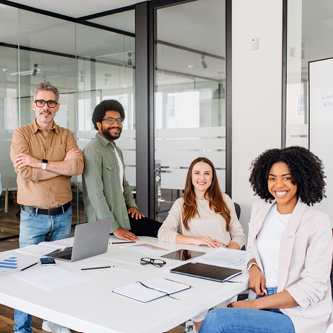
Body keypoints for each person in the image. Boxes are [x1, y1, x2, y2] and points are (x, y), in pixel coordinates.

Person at [199, 146, 333, 333]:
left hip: (297, 312)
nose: (278, 185)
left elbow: (313, 286)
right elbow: (252, 249)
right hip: (261, 297)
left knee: (218, 319)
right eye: (272, 178)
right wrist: (253, 267)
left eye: (286, 177)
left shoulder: (318, 222)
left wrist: (255, 305)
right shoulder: (261, 208)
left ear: (301, 178)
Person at [10, 82, 84, 333]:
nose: (46, 107)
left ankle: (54, 322)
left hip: (63, 216)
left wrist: (39, 163)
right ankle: (22, 329)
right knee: (26, 273)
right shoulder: (21, 134)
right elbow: (23, 171)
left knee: (58, 273)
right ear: (33, 105)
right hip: (33, 217)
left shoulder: (66, 135)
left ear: (57, 106)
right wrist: (58, 166)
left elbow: (76, 168)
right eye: (41, 102)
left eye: (51, 102)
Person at [158, 157, 246, 331]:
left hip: (224, 262)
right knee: (198, 303)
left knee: (222, 310)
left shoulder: (225, 200)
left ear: (212, 178)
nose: (202, 178)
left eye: (207, 173)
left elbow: (239, 235)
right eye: (197, 173)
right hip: (195, 264)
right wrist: (195, 240)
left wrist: (228, 252)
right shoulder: (181, 204)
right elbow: (163, 233)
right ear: (191, 177)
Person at [82, 99, 161, 241]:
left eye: (119, 120)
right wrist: (114, 228)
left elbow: (123, 183)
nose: (116, 124)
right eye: (110, 120)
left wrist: (132, 205)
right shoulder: (93, 150)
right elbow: (95, 194)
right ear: (98, 124)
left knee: (163, 231)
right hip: (104, 225)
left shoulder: (116, 150)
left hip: (123, 216)